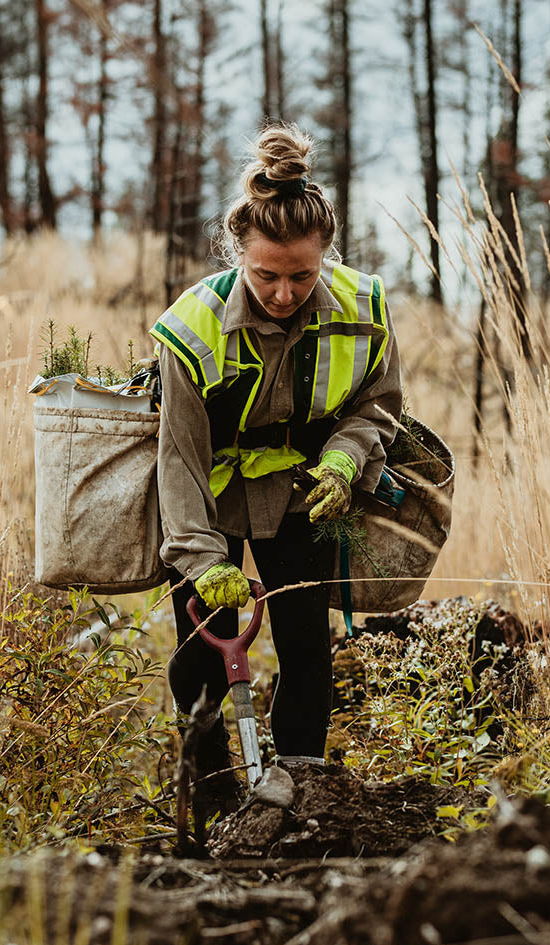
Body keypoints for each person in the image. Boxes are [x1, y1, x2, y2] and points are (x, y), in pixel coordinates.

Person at [149, 122, 402, 830]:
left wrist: (347, 459)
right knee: (201, 660)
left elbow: (379, 408)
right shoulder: (192, 328)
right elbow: (180, 459)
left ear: (326, 255)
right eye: (266, 276)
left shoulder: (363, 311)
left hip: (303, 497)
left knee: (306, 655)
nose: (285, 292)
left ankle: (302, 804)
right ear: (236, 255)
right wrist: (201, 561)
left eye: (302, 275)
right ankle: (208, 809)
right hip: (210, 503)